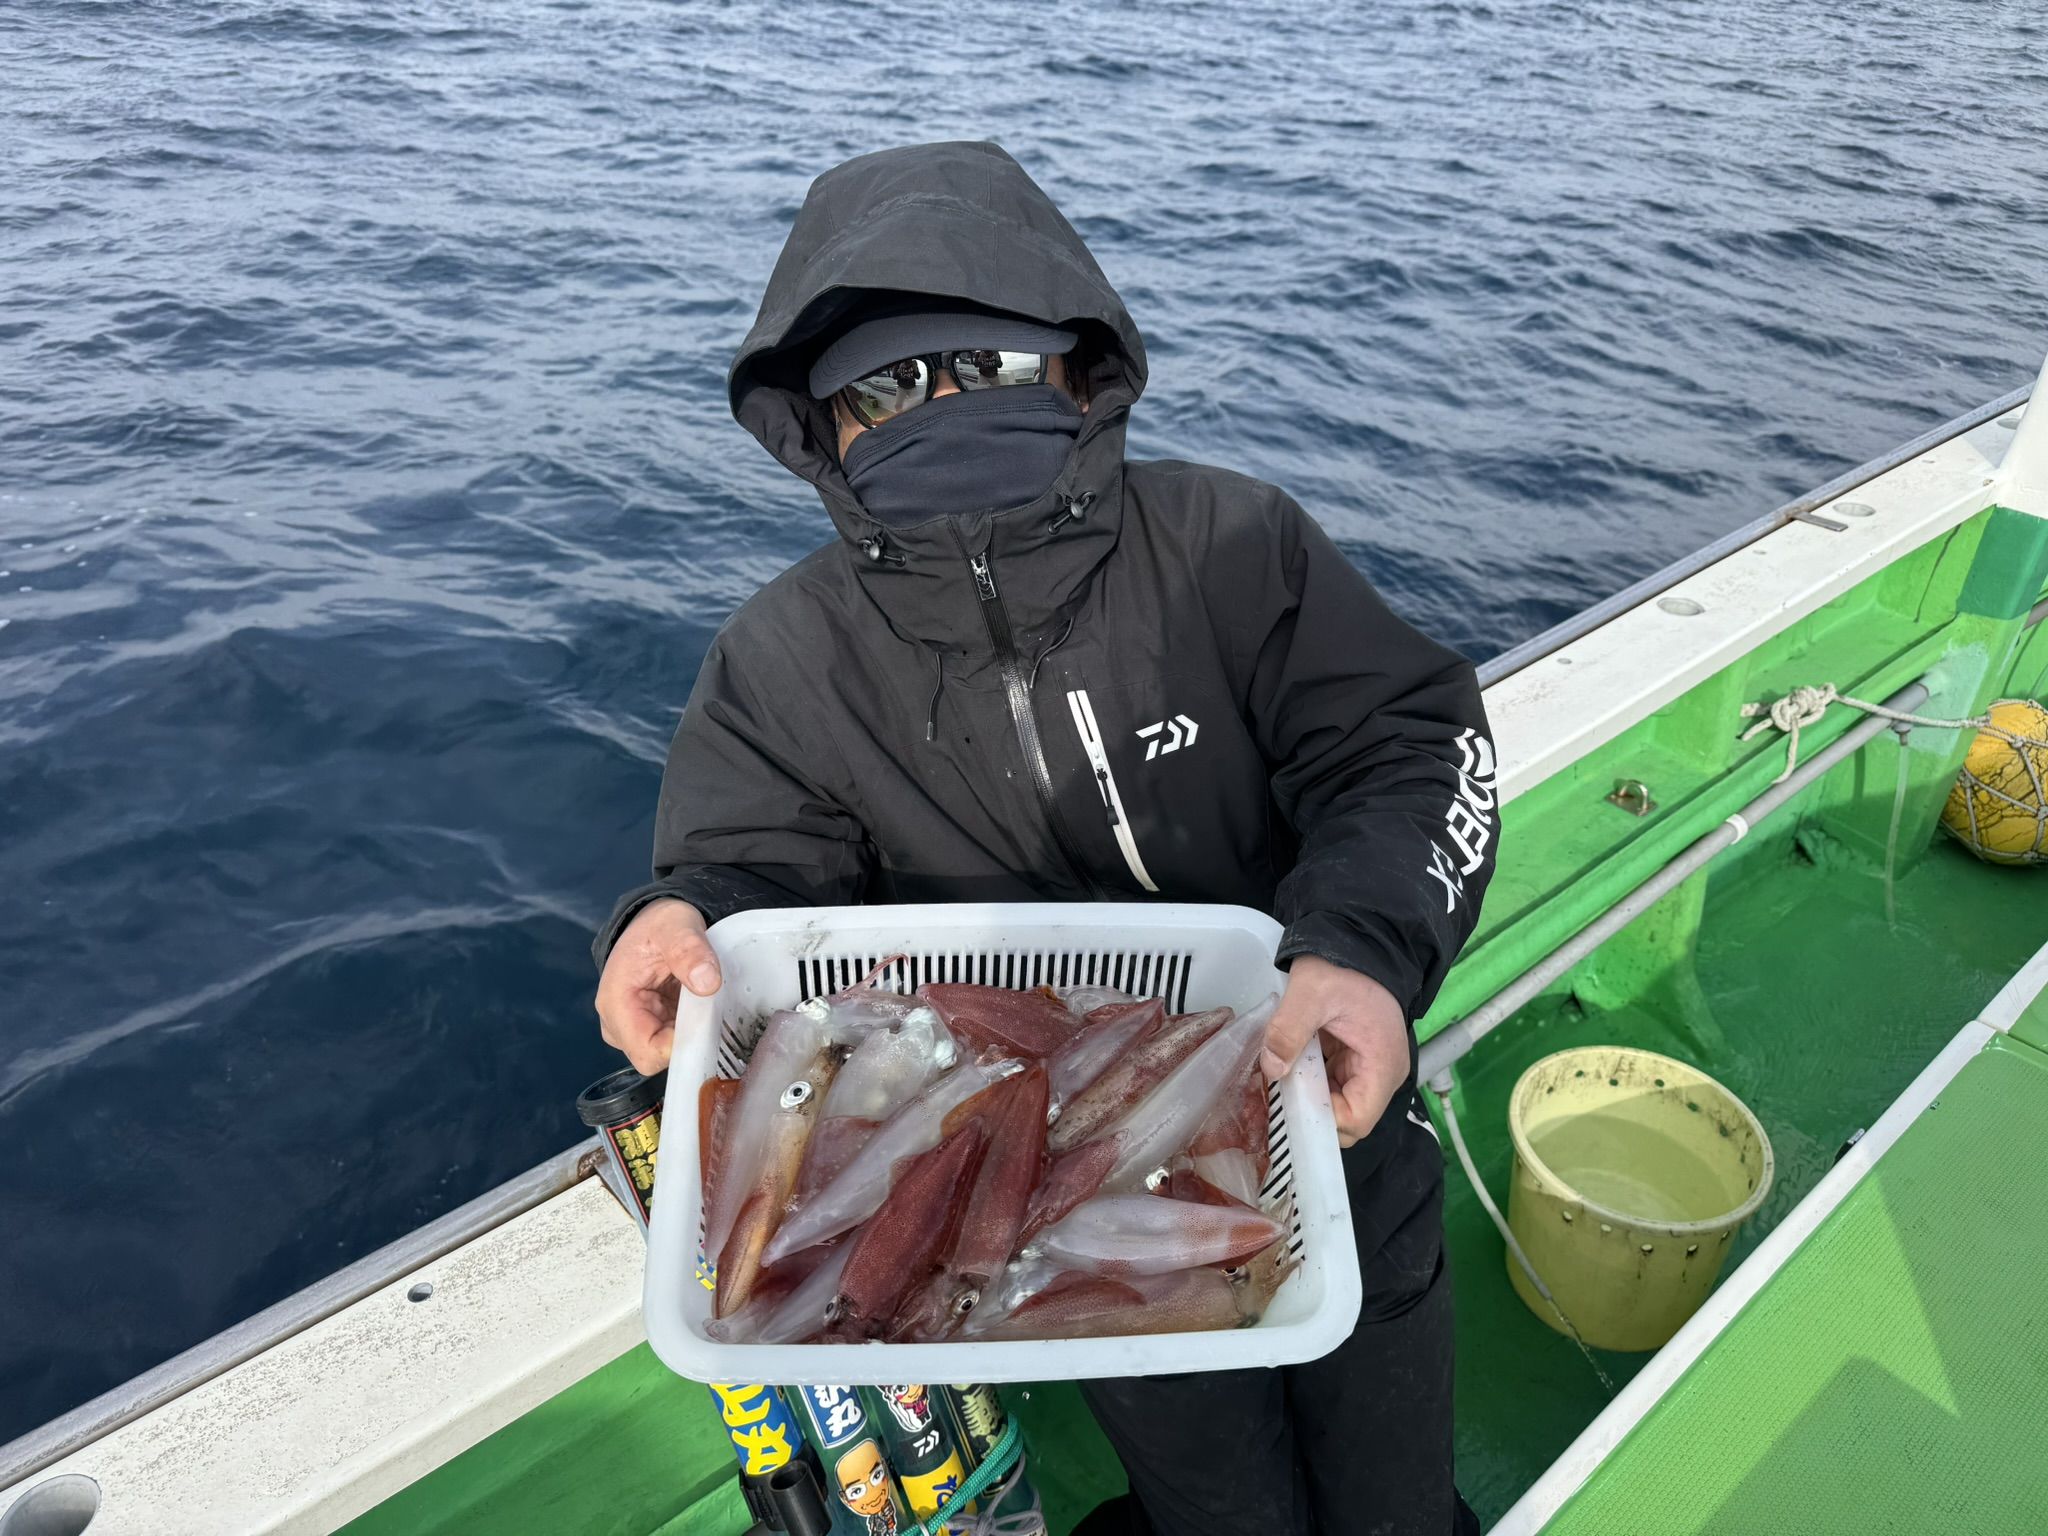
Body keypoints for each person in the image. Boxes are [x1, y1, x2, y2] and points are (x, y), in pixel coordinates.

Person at [593, 140, 1496, 1536]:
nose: (939, 410)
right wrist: (681, 919)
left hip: (1321, 1102)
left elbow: (1407, 744)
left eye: (986, 367)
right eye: (886, 390)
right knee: (1212, 1492)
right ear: (822, 428)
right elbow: (751, 870)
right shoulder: (784, 660)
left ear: (1078, 371)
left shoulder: (1231, 546)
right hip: (1046, 1211)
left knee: (1392, 1473)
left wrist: (1367, 950)